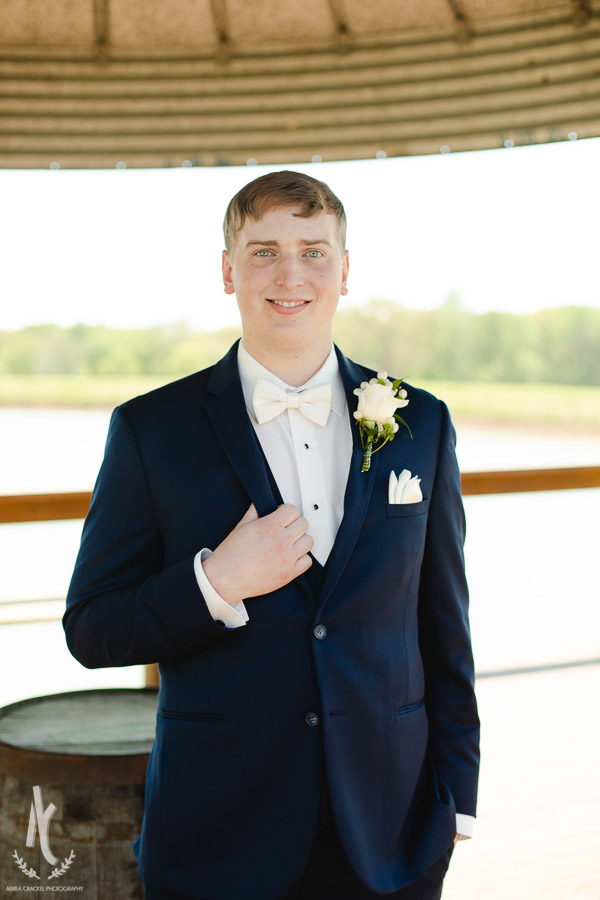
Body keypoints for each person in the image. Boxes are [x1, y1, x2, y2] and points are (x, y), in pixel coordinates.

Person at [64, 170, 480, 900]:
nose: (291, 274)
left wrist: (458, 802)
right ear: (228, 270)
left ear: (345, 272)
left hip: (393, 833)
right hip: (218, 833)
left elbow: (445, 629)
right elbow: (93, 630)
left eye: (314, 251)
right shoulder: (149, 430)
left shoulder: (421, 421)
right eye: (264, 252)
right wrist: (214, 584)